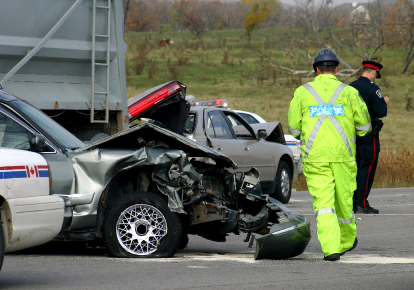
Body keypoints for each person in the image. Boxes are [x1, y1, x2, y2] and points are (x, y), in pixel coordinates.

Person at [288, 49, 372, 261]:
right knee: (344, 200)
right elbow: (364, 126)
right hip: (343, 156)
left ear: (316, 69)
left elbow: (294, 129)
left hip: (315, 157)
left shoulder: (302, 92)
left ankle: (331, 248)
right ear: (335, 69)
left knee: (324, 205)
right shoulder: (349, 92)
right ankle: (346, 241)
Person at [350, 61, 389, 214]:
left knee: (354, 167)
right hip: (368, 134)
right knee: (367, 167)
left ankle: (352, 202)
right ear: (374, 72)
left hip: (351, 134)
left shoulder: (350, 87)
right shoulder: (373, 88)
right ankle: (361, 203)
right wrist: (384, 102)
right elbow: (381, 112)